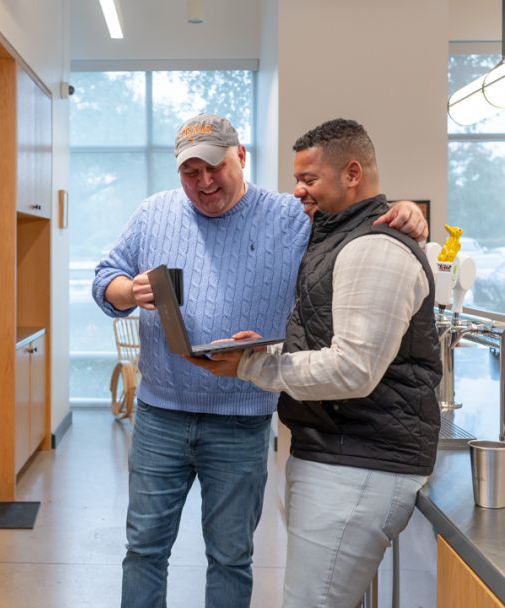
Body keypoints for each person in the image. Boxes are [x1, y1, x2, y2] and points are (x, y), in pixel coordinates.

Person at [92, 113, 428, 607]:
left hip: (241, 419)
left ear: (240, 158)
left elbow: (351, 220)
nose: (204, 183)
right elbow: (105, 279)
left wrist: (404, 211)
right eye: (191, 172)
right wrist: (126, 289)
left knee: (229, 556)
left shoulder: (290, 217)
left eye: (215, 168)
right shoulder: (153, 213)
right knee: (143, 548)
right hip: (161, 414)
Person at [188, 118, 441, 608]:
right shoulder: (335, 236)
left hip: (359, 463)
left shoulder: (372, 248)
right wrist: (263, 351)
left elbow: (351, 370)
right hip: (338, 454)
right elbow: (329, 342)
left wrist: (250, 368)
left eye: (308, 179)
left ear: (351, 174)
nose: (297, 191)